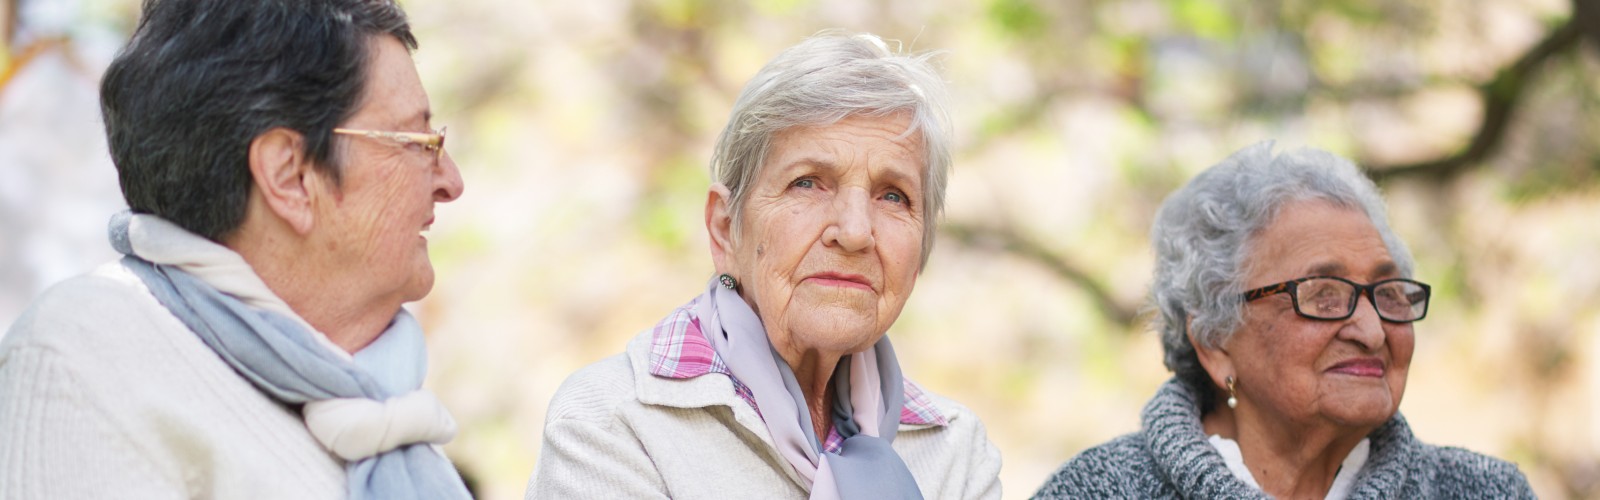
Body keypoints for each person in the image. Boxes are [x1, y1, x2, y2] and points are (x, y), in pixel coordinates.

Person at [0, 0, 470, 498]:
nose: (450, 181)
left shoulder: (378, 412)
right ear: (289, 176)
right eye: (416, 140)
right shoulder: (89, 357)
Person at [526, 32, 1002, 499]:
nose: (855, 231)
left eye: (893, 195)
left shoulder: (955, 452)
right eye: (808, 183)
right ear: (724, 228)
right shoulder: (613, 424)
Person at [1032, 142, 1535, 499]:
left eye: (1388, 293)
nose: (1373, 330)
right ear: (1215, 341)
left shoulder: (1487, 491)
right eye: (1323, 295)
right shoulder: (1099, 490)